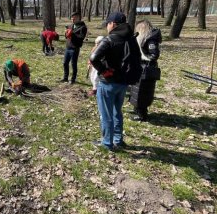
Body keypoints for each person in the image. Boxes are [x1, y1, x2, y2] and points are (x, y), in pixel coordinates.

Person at [89, 12, 135, 151]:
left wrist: (103, 71)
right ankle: (118, 139)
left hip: (108, 83)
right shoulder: (130, 39)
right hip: (123, 83)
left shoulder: (109, 39)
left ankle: (107, 143)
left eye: (108, 24)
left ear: (113, 24)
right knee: (117, 112)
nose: (107, 27)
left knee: (106, 114)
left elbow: (93, 57)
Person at [129, 19, 162, 121]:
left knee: (142, 92)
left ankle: (142, 114)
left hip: (146, 69)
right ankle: (138, 110)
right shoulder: (144, 38)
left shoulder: (150, 39)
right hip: (141, 67)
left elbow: (154, 55)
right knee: (137, 90)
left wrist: (144, 59)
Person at [61, 12, 87, 84]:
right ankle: (65, 78)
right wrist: (66, 33)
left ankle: (73, 79)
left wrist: (72, 34)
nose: (72, 20)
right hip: (68, 47)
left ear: (78, 18)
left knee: (73, 64)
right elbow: (66, 36)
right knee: (65, 63)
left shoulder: (83, 27)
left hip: (75, 48)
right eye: (72, 19)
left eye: (74, 18)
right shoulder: (70, 25)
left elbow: (81, 37)